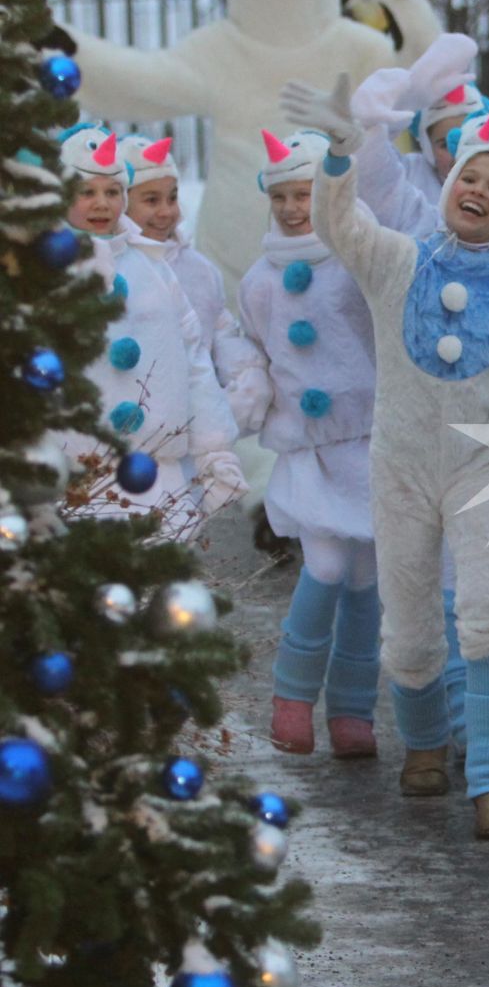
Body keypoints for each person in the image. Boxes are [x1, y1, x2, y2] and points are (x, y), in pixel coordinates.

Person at [280, 74, 489, 842]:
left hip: (480, 466)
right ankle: (426, 747)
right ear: (447, 181)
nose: (479, 190)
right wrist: (339, 153)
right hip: (398, 468)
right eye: (470, 174)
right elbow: (342, 227)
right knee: (407, 619)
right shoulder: (397, 263)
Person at [237, 129, 381, 759]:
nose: (295, 208)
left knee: (367, 578)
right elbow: (253, 346)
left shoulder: (359, 258)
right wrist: (249, 390)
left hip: (371, 440)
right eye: (283, 197)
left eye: (306, 194)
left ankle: (353, 710)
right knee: (324, 565)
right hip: (312, 447)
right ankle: (292, 699)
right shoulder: (261, 279)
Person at [56, 123, 246, 533]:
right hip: (80, 472)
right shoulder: (44, 273)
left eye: (112, 191)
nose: (101, 203)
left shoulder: (153, 267)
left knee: (164, 588)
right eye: (87, 191)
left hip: (160, 469)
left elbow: (194, 356)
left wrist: (215, 449)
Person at [118, 134, 263, 402]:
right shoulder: (112, 269)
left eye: (171, 198)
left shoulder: (199, 270)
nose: (166, 211)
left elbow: (223, 334)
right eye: (151, 200)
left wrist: (246, 386)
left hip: (196, 418)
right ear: (122, 204)